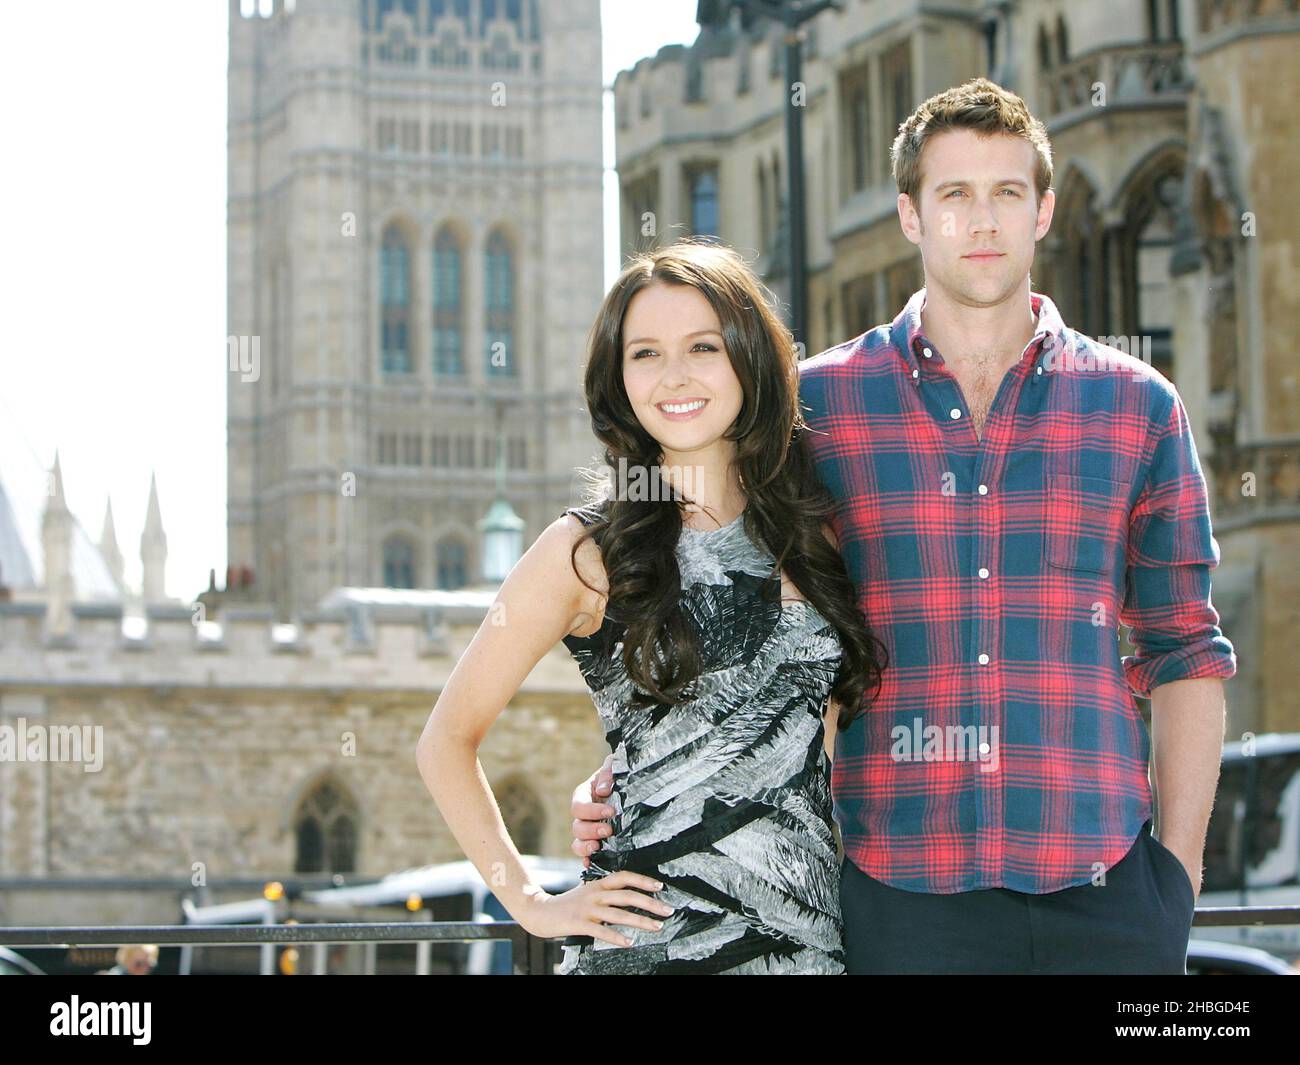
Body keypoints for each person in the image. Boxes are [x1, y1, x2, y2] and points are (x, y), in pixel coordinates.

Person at [571, 77, 1237, 975]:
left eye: (1007, 192)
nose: (983, 220)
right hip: (898, 902)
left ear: (1044, 211)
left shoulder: (1139, 409)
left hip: (1108, 895)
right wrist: (634, 774)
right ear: (910, 215)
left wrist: (1179, 877)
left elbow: (1185, 649)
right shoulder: (817, 411)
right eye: (954, 194)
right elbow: (708, 596)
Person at [417, 238, 888, 973]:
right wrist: (535, 905)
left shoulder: (814, 536)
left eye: (702, 346)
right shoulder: (583, 550)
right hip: (644, 948)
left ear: (747, 359)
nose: (674, 375)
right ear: (619, 375)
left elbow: (812, 742)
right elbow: (444, 741)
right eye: (644, 353)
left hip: (802, 947)